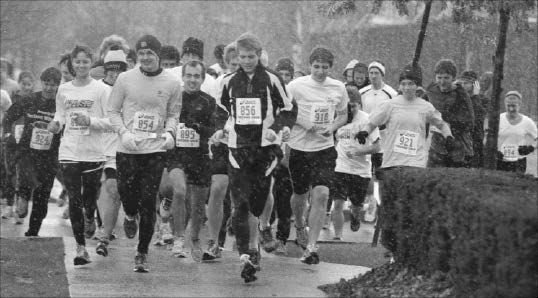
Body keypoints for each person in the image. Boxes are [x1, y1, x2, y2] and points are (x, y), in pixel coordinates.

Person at [215, 33, 295, 282]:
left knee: (258, 202)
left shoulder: (272, 79)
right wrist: (219, 128)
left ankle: (263, 227)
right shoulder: (228, 81)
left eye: (251, 57)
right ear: (236, 57)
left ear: (259, 55)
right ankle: (246, 256)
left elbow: (289, 109)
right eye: (242, 57)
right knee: (241, 204)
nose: (247, 61)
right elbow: (219, 110)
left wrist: (278, 127)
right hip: (238, 149)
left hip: (265, 150)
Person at [354, 64, 453, 254]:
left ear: (417, 86)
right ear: (400, 86)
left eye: (411, 84)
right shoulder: (391, 105)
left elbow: (441, 123)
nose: (407, 88)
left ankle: (409, 245)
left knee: (411, 205)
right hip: (392, 162)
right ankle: (392, 245)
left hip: (415, 163)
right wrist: (364, 133)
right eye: (404, 84)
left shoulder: (425, 107)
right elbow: (372, 122)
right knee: (391, 206)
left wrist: (449, 137)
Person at [107, 34, 181, 272]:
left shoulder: (171, 83)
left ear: (158, 55)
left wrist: (170, 133)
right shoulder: (125, 79)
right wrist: (123, 133)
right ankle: (129, 215)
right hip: (128, 149)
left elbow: (173, 114)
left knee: (148, 200)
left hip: (154, 150)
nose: (146, 57)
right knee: (127, 195)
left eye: (150, 53)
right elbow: (112, 110)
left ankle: (142, 252)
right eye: (142, 54)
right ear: (136, 56)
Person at [47, 45, 111, 266]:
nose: (81, 65)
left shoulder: (100, 90)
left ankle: (91, 215)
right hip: (69, 150)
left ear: (90, 63)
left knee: (89, 197)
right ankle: (81, 248)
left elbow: (110, 121)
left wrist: (91, 121)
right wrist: (56, 124)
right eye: (78, 62)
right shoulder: (64, 90)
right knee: (74, 198)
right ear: (72, 64)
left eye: (85, 62)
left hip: (93, 151)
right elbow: (60, 114)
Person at [287, 47, 349, 265]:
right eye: (316, 67)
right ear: (309, 66)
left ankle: (312, 246)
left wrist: (331, 127)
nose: (320, 71)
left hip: (324, 148)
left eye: (325, 67)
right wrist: (306, 124)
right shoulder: (296, 86)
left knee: (322, 194)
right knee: (300, 194)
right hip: (299, 148)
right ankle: (299, 225)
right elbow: (285, 112)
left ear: (331, 68)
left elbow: (343, 115)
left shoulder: (338, 87)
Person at [162, 60, 217, 262]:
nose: (192, 80)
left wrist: (198, 127)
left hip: (200, 156)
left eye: (197, 76)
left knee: (197, 205)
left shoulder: (209, 101)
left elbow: (214, 130)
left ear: (202, 79)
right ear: (183, 77)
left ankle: (193, 238)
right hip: (177, 155)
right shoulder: (175, 100)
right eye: (189, 75)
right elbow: (164, 122)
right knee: (179, 190)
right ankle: (178, 238)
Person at [3, 67, 62, 236]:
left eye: (53, 85)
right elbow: (9, 117)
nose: (49, 88)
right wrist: (8, 134)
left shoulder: (61, 104)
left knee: (43, 194)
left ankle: (33, 231)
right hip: (27, 151)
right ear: (41, 82)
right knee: (26, 178)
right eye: (46, 83)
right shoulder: (29, 100)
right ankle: (21, 195)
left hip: (49, 154)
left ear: (58, 85)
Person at [331, 86, 380, 239]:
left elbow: (377, 147)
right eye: (348, 105)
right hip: (340, 167)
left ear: (359, 104)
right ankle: (338, 237)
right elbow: (332, 140)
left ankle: (355, 214)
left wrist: (359, 152)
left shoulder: (367, 120)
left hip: (361, 170)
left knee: (357, 205)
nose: (350, 109)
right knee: (338, 203)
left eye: (354, 105)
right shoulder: (338, 118)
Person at [205, 42, 239, 258]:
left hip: (247, 145)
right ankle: (214, 241)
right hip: (223, 143)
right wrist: (218, 130)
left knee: (241, 195)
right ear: (226, 64)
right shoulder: (220, 83)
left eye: (242, 62)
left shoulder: (258, 83)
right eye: (233, 63)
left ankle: (250, 243)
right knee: (218, 188)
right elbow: (216, 112)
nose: (238, 67)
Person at [94, 46, 128, 257]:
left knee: (114, 191)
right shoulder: (96, 89)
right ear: (105, 70)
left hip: (118, 149)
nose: (115, 74)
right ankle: (92, 219)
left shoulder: (129, 88)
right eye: (111, 69)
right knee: (91, 193)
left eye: (119, 69)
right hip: (95, 148)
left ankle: (104, 236)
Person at [426, 59, 475, 168]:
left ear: (453, 78)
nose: (442, 82)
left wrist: (445, 119)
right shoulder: (431, 91)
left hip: (457, 145)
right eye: (439, 78)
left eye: (446, 78)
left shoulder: (461, 94)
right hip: (437, 145)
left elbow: (469, 122)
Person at [497, 91, 537, 173]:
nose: (511, 109)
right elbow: (487, 138)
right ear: (505, 104)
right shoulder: (498, 119)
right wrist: (493, 151)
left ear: (520, 105)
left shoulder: (527, 121)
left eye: (514, 106)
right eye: (508, 106)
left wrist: (530, 148)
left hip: (519, 162)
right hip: (500, 161)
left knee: (516, 184)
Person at [458, 70, 489, 168]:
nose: (462, 85)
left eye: (466, 83)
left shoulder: (483, 99)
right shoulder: (456, 98)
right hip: (459, 141)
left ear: (475, 84)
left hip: (475, 141)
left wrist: (475, 96)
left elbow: (478, 117)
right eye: (461, 83)